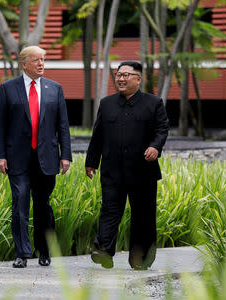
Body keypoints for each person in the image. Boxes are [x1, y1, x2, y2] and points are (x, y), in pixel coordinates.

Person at [85, 61, 169, 270]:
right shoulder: (106, 103)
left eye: (126, 75)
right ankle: (103, 251)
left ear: (138, 79)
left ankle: (140, 260)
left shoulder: (154, 103)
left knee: (143, 216)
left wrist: (155, 147)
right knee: (110, 210)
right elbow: (98, 136)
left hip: (143, 171)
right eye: (118, 74)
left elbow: (162, 130)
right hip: (112, 170)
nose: (121, 79)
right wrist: (91, 162)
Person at [0, 46, 72, 268]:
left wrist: (65, 156)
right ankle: (22, 253)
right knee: (19, 203)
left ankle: (44, 251)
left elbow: (63, 126)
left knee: (43, 206)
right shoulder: (8, 89)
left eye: (43, 60)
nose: (41, 64)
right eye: (36, 60)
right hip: (17, 158)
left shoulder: (55, 89)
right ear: (24, 64)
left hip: (46, 158)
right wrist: (0, 156)